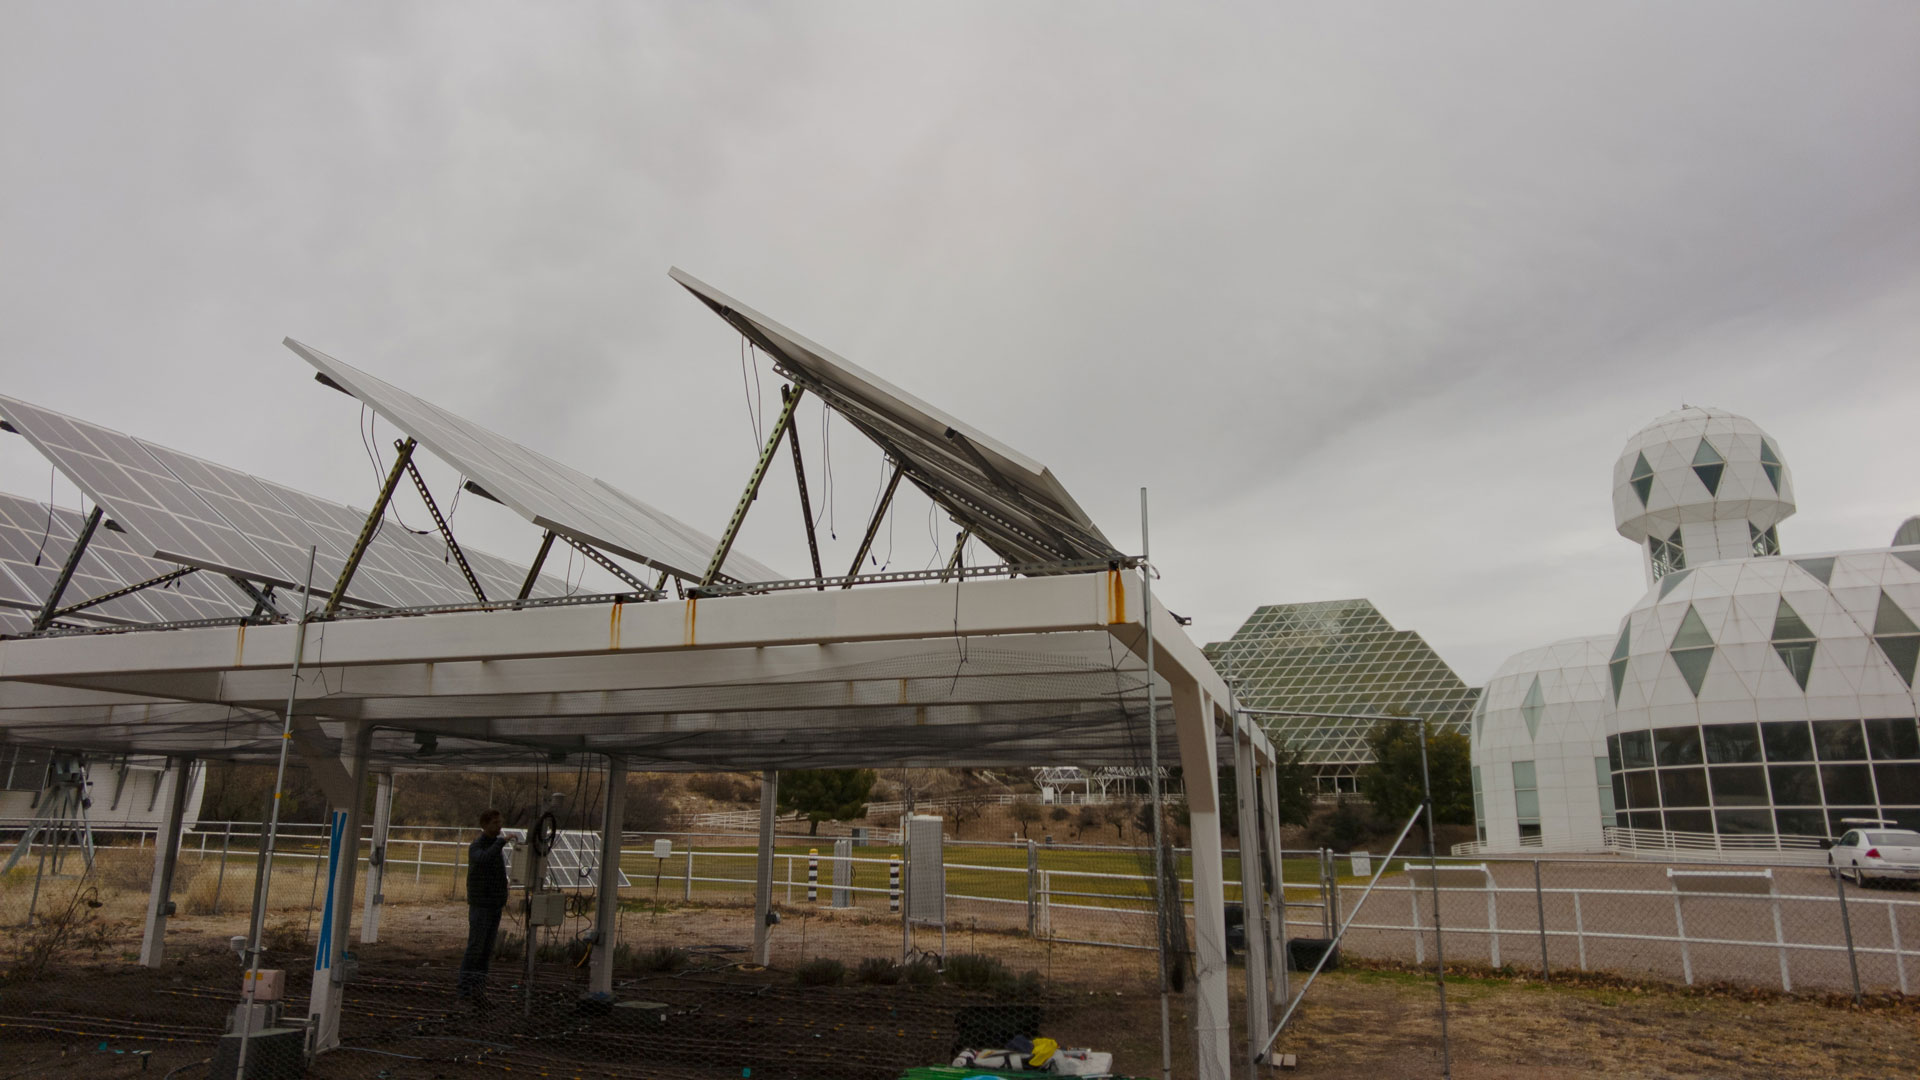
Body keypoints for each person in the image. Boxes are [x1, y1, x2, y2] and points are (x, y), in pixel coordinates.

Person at [458, 808, 509, 1003]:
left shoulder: (494, 847)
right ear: (485, 825)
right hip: (481, 905)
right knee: (475, 948)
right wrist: (501, 842)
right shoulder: (478, 846)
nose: (499, 826)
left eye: (500, 822)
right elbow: (482, 859)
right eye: (495, 823)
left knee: (486, 950)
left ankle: (479, 991)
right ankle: (464, 992)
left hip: (494, 905)